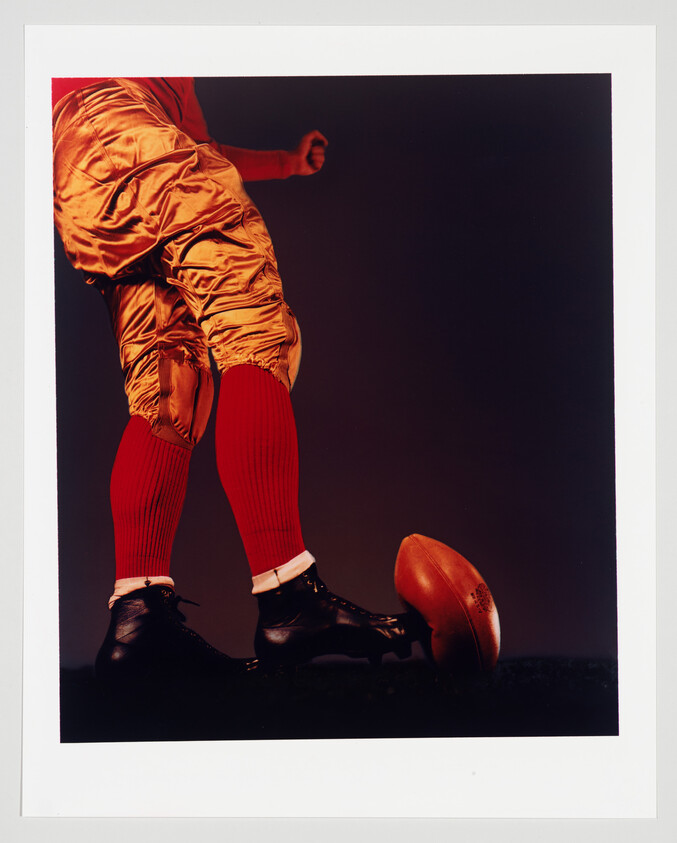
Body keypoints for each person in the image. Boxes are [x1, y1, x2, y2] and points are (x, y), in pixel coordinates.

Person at [52, 77, 411, 684]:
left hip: (71, 176)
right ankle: (288, 595)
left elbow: (194, 149)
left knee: (171, 385)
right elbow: (177, 148)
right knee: (251, 322)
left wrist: (284, 164)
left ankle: (138, 618)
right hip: (129, 137)